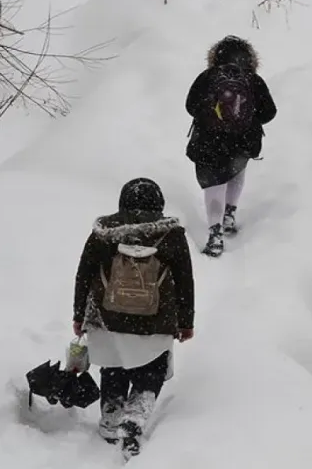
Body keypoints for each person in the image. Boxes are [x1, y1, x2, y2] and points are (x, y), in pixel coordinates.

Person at [72, 177, 195, 459]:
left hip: (107, 318)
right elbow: (185, 281)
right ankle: (136, 415)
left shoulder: (104, 233)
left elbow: (84, 275)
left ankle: (111, 417)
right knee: (151, 368)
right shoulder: (172, 235)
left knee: (113, 366)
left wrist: (79, 314)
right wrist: (186, 322)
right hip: (156, 320)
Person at [185, 35, 277, 257]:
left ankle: (215, 234)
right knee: (236, 171)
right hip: (242, 142)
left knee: (213, 185)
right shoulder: (253, 80)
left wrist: (212, 119)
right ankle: (229, 214)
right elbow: (269, 112)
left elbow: (190, 106)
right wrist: (246, 120)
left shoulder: (207, 77)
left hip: (208, 142)